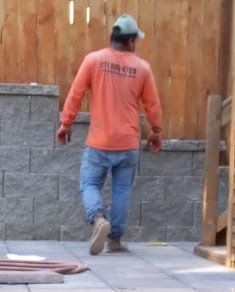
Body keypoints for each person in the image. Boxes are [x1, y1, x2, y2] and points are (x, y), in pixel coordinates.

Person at [56, 14, 164, 255]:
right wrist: (156, 131)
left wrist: (66, 123)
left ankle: (97, 218)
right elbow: (153, 105)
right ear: (131, 41)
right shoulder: (142, 68)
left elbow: (75, 94)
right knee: (121, 191)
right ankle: (114, 240)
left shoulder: (93, 60)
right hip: (128, 143)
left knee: (89, 183)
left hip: (99, 141)